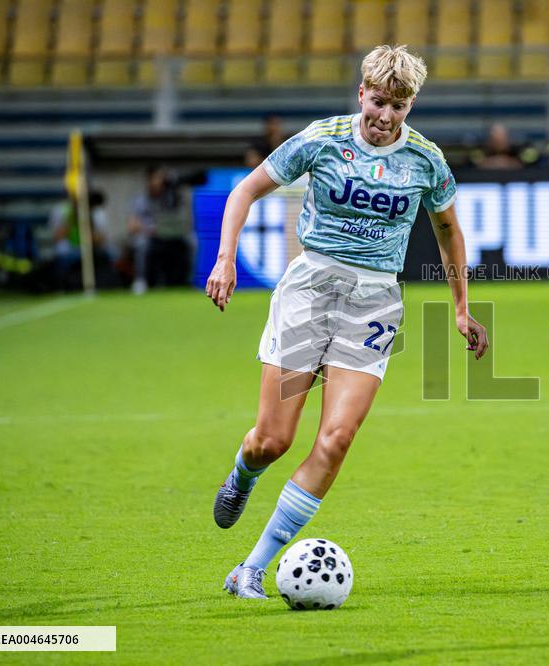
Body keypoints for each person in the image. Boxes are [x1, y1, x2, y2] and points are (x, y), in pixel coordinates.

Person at [205, 45, 489, 599]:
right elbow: (245, 190)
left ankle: (251, 569)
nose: (386, 116)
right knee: (273, 440)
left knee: (336, 439)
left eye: (399, 106)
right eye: (379, 102)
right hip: (309, 294)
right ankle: (243, 471)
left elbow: (450, 231)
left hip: (374, 306)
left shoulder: (426, 160)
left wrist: (460, 307)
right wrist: (224, 257)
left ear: (411, 107)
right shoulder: (323, 139)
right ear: (361, 93)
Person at [127, 165, 191, 293]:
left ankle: (187, 281)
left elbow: (183, 220)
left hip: (171, 237)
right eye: (156, 178)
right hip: (151, 237)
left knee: (191, 241)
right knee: (141, 243)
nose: (159, 182)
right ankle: (141, 281)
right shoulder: (140, 200)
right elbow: (132, 226)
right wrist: (149, 228)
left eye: (161, 179)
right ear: (149, 180)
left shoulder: (171, 197)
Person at [48, 190, 112, 290]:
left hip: (90, 248)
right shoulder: (61, 209)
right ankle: (60, 285)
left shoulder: (96, 212)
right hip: (70, 246)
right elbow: (57, 237)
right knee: (62, 251)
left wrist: (89, 228)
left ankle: (107, 283)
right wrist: (72, 217)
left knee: (111, 252)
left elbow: (101, 239)